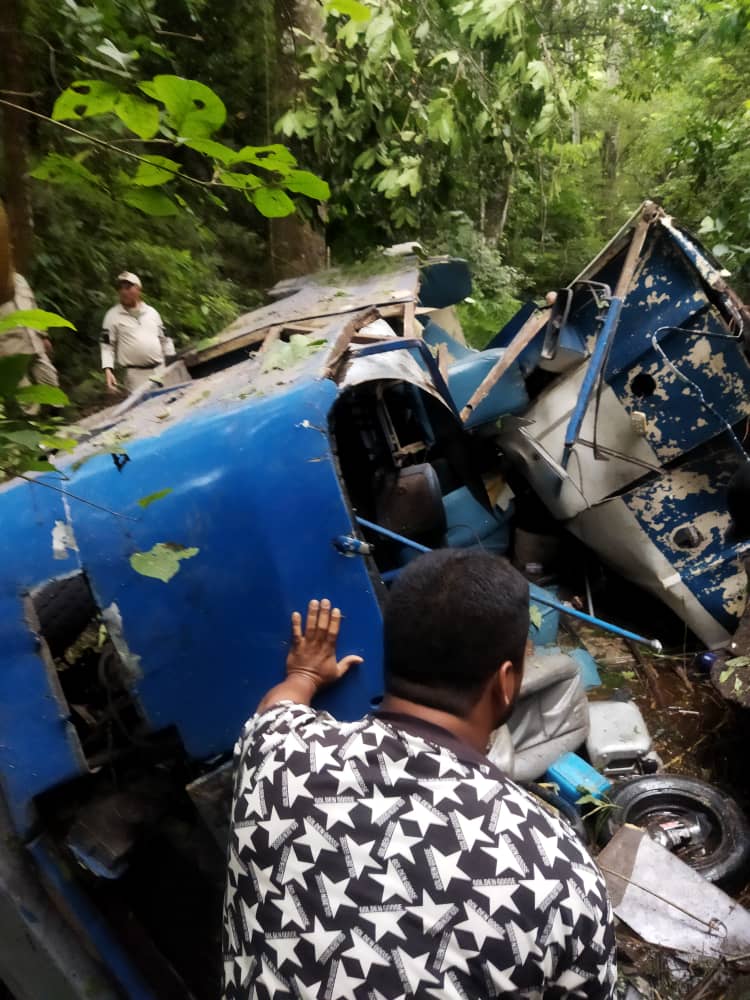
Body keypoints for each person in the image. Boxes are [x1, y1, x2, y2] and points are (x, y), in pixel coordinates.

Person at [222, 549, 617, 1000]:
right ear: (506, 682)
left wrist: (306, 672)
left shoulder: (276, 752)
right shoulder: (558, 871)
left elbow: (277, 708)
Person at [100, 271, 175, 394]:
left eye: (128, 287)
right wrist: (108, 370)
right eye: (121, 288)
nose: (124, 291)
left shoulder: (152, 312)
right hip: (136, 375)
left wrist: (172, 363)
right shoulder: (112, 316)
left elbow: (165, 339)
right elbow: (107, 346)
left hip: (161, 369)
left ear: (138, 289)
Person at [0, 271, 60, 391]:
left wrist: (44, 336)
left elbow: (33, 307)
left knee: (51, 383)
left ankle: (55, 409)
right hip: (10, 351)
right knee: (25, 399)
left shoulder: (19, 279)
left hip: (35, 343)